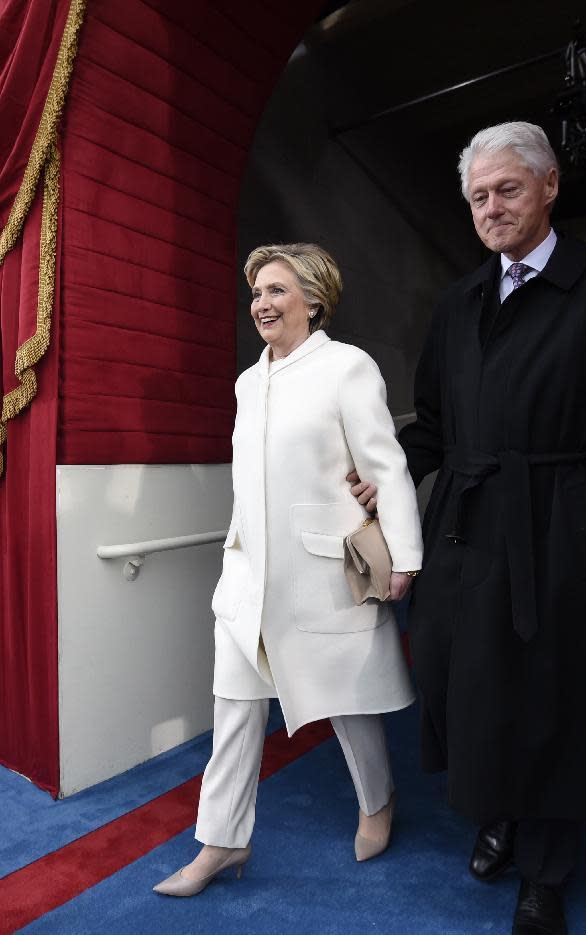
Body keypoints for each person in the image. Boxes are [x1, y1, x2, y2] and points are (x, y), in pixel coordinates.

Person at [348, 122, 586, 935]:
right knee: (465, 683)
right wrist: (379, 471)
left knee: (553, 697)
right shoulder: (459, 300)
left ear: (547, 187)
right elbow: (432, 421)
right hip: (465, 527)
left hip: (564, 525)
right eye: (476, 197)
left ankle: (545, 868)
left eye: (505, 189)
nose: (490, 208)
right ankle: (496, 811)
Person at [154, 243, 423, 897]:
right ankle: (220, 841)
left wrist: (405, 556)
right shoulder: (249, 381)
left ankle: (377, 801)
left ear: (312, 298)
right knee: (234, 712)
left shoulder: (346, 368)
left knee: (349, 708)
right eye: (256, 292)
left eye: (276, 290)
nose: (262, 304)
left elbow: (385, 467)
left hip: (323, 577)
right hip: (247, 579)